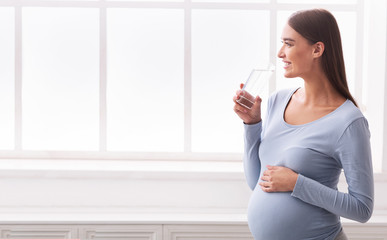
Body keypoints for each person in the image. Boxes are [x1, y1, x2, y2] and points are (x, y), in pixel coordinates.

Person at [233, 9, 374, 240]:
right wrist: (252, 124)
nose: (280, 53)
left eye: (289, 44)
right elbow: (256, 182)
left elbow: (362, 209)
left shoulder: (349, 122)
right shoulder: (278, 101)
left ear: (317, 49)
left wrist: (297, 183)